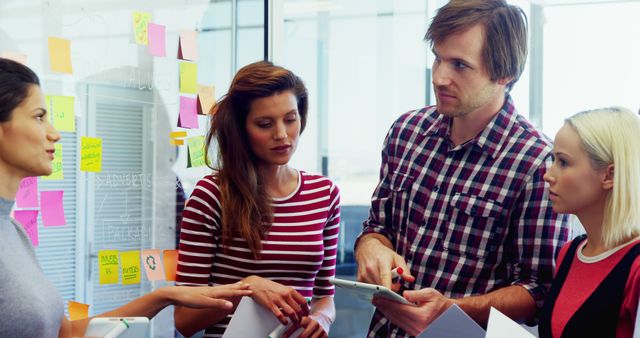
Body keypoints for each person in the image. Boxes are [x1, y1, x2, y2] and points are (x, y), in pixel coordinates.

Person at [354, 0, 570, 336]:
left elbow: (539, 290)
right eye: (438, 57)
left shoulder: (536, 163)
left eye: (460, 65)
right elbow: (378, 227)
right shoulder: (407, 132)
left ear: (504, 74)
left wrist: (452, 310)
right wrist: (372, 248)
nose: (439, 77)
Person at [0, 57, 253, 338]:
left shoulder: (14, 231)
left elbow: (68, 333)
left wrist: (165, 297)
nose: (55, 134)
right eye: (39, 116)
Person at [173, 61, 340, 338]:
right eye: (265, 124)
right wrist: (247, 290)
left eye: (290, 119)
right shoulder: (212, 197)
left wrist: (322, 318)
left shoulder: (324, 194)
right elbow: (185, 319)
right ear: (241, 128)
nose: (282, 135)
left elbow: (325, 296)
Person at [538, 107, 640, 338]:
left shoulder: (636, 268)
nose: (548, 174)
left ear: (609, 176)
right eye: (553, 160)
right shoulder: (570, 252)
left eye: (563, 162)